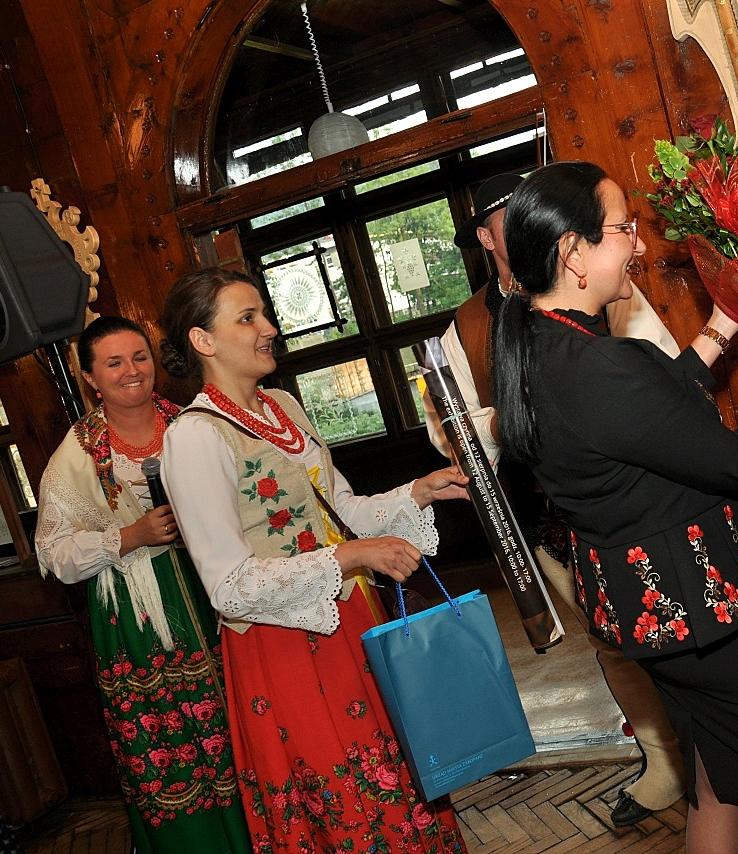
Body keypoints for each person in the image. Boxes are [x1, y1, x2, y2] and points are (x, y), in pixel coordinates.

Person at [490, 161, 738, 853]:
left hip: (649, 615)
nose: (637, 243)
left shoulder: (538, 348)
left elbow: (649, 410)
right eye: (622, 228)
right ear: (573, 252)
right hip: (707, 610)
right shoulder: (600, 365)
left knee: (716, 780)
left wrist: (723, 322)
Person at [158, 268, 469, 853]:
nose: (268, 328)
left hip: (353, 622)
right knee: (347, 800)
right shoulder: (194, 438)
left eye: (263, 313)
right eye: (247, 318)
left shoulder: (283, 407)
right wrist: (349, 556)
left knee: (401, 780)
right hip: (283, 646)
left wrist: (418, 492)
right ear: (203, 340)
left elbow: (340, 509)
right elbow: (229, 585)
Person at [428, 172, 685, 827]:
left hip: (642, 497)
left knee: (682, 627)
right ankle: (663, 764)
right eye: (505, 215)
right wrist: (511, 417)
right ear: (486, 238)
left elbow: (667, 368)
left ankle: (718, 764)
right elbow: (451, 432)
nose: (522, 219)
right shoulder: (465, 326)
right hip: (549, 521)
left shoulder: (596, 277)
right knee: (615, 640)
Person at [35, 316, 251, 852]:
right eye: (114, 363)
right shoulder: (75, 458)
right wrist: (129, 536)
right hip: (138, 619)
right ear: (90, 377)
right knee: (169, 742)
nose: (131, 371)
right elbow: (54, 555)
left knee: (241, 717)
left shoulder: (191, 426)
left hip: (214, 589)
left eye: (139, 357)